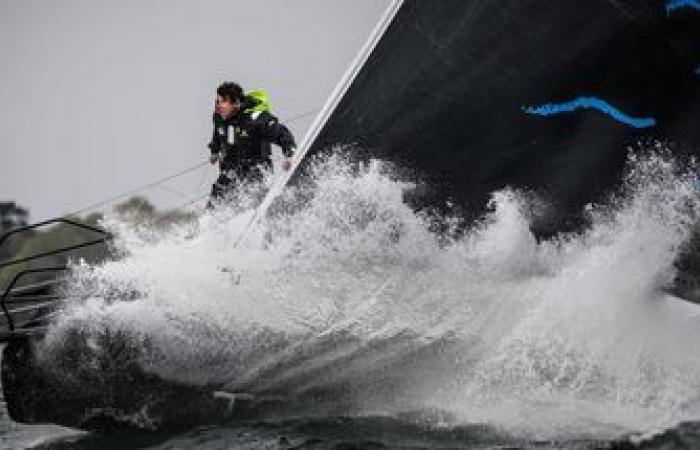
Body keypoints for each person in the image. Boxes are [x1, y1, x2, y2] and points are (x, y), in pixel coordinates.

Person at [206, 82, 296, 208]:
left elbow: (281, 133)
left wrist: (288, 154)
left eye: (224, 101)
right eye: (218, 101)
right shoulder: (219, 117)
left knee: (249, 196)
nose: (219, 105)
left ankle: (256, 211)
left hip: (256, 170)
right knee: (216, 199)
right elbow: (218, 133)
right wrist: (214, 151)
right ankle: (210, 223)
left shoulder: (255, 119)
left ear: (236, 103)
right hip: (230, 170)